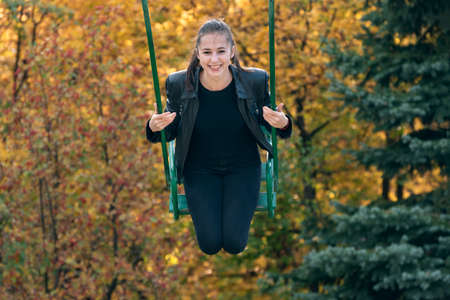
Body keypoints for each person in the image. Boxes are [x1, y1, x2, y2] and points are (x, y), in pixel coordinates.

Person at [145, 19, 292, 255]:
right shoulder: (179, 84)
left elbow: (271, 119)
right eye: (207, 52)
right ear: (198, 55)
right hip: (199, 169)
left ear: (232, 52)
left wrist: (283, 122)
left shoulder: (254, 81)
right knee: (210, 244)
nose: (215, 60)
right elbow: (170, 129)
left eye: (221, 52)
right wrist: (155, 126)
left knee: (234, 244)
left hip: (242, 167)